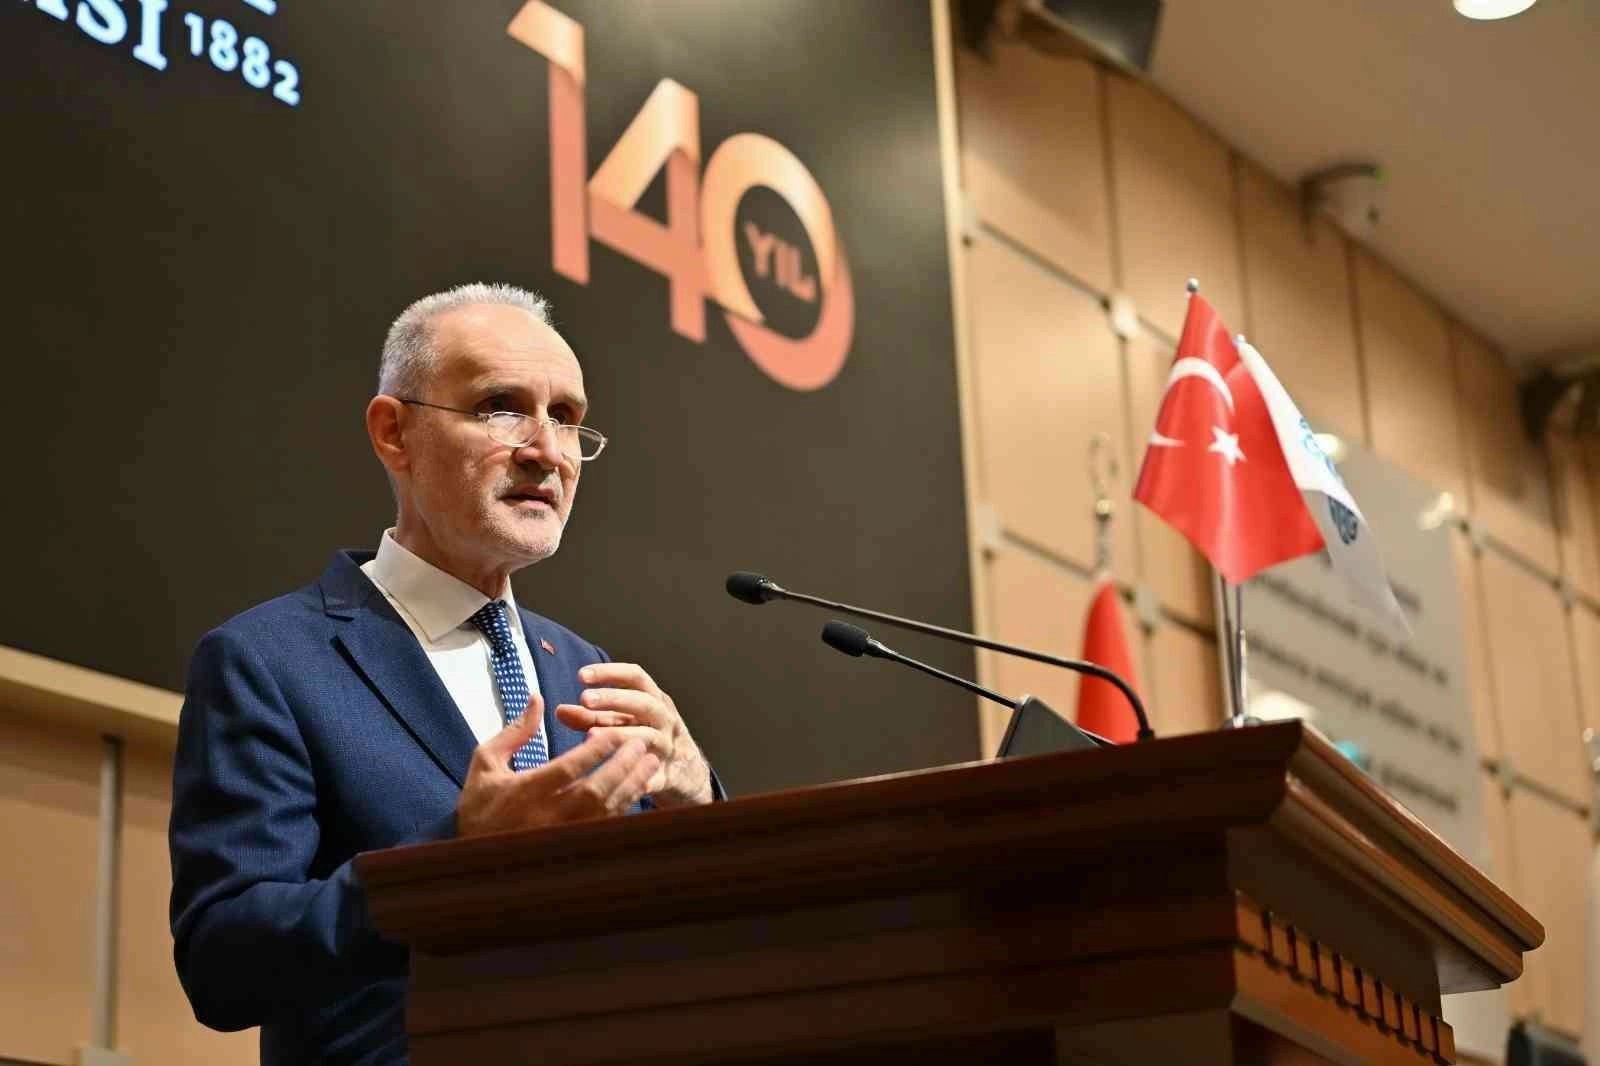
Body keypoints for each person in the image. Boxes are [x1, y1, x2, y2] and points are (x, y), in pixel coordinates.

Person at [168, 283, 722, 1065]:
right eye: (501, 408)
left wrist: (696, 801)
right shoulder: (269, 660)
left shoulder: (591, 674)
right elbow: (222, 963)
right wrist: (457, 853)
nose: (546, 450)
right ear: (394, 432)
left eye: (566, 417)